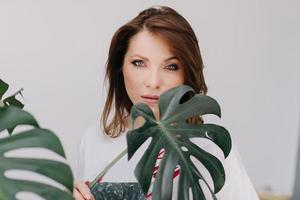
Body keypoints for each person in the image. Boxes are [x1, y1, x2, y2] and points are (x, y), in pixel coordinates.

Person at [73, 5, 259, 200]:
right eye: (139, 63)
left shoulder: (208, 145)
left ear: (186, 74)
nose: (153, 82)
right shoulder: (93, 140)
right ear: (120, 68)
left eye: (171, 66)